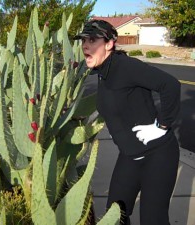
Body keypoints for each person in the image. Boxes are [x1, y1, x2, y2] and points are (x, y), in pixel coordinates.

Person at [74, 20, 181, 225]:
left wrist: (162, 126)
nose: (85, 45)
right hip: (130, 156)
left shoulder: (126, 66)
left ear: (109, 44)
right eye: (84, 40)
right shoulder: (102, 71)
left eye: (92, 40)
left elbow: (170, 85)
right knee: (115, 215)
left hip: (157, 154)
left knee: (153, 219)